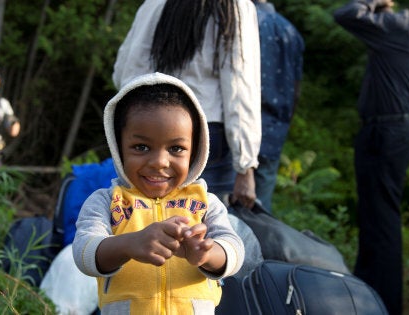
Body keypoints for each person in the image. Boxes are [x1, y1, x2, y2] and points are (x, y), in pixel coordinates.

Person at [72, 72, 244, 314]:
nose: (160, 162)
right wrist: (129, 244)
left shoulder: (206, 203)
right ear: (119, 147)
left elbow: (235, 250)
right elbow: (84, 252)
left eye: (176, 148)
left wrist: (207, 253)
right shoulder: (105, 201)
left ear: (194, 150)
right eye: (141, 147)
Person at [112, 0, 261, 209]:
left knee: (139, 213)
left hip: (143, 123)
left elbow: (124, 71)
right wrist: (245, 164)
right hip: (204, 131)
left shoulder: (154, 3)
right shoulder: (233, 5)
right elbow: (239, 86)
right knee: (202, 225)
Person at [333, 1, 409, 313]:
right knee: (375, 221)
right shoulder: (400, 33)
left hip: (386, 133)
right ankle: (370, 297)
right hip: (387, 132)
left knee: (382, 225)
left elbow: (345, 15)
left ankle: (384, 304)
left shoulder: (397, 27)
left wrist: (370, 2)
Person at [252, 0, 305, 213]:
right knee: (261, 210)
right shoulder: (291, 31)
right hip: (275, 127)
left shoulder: (242, 21)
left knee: (221, 210)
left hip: (238, 124)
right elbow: (296, 87)